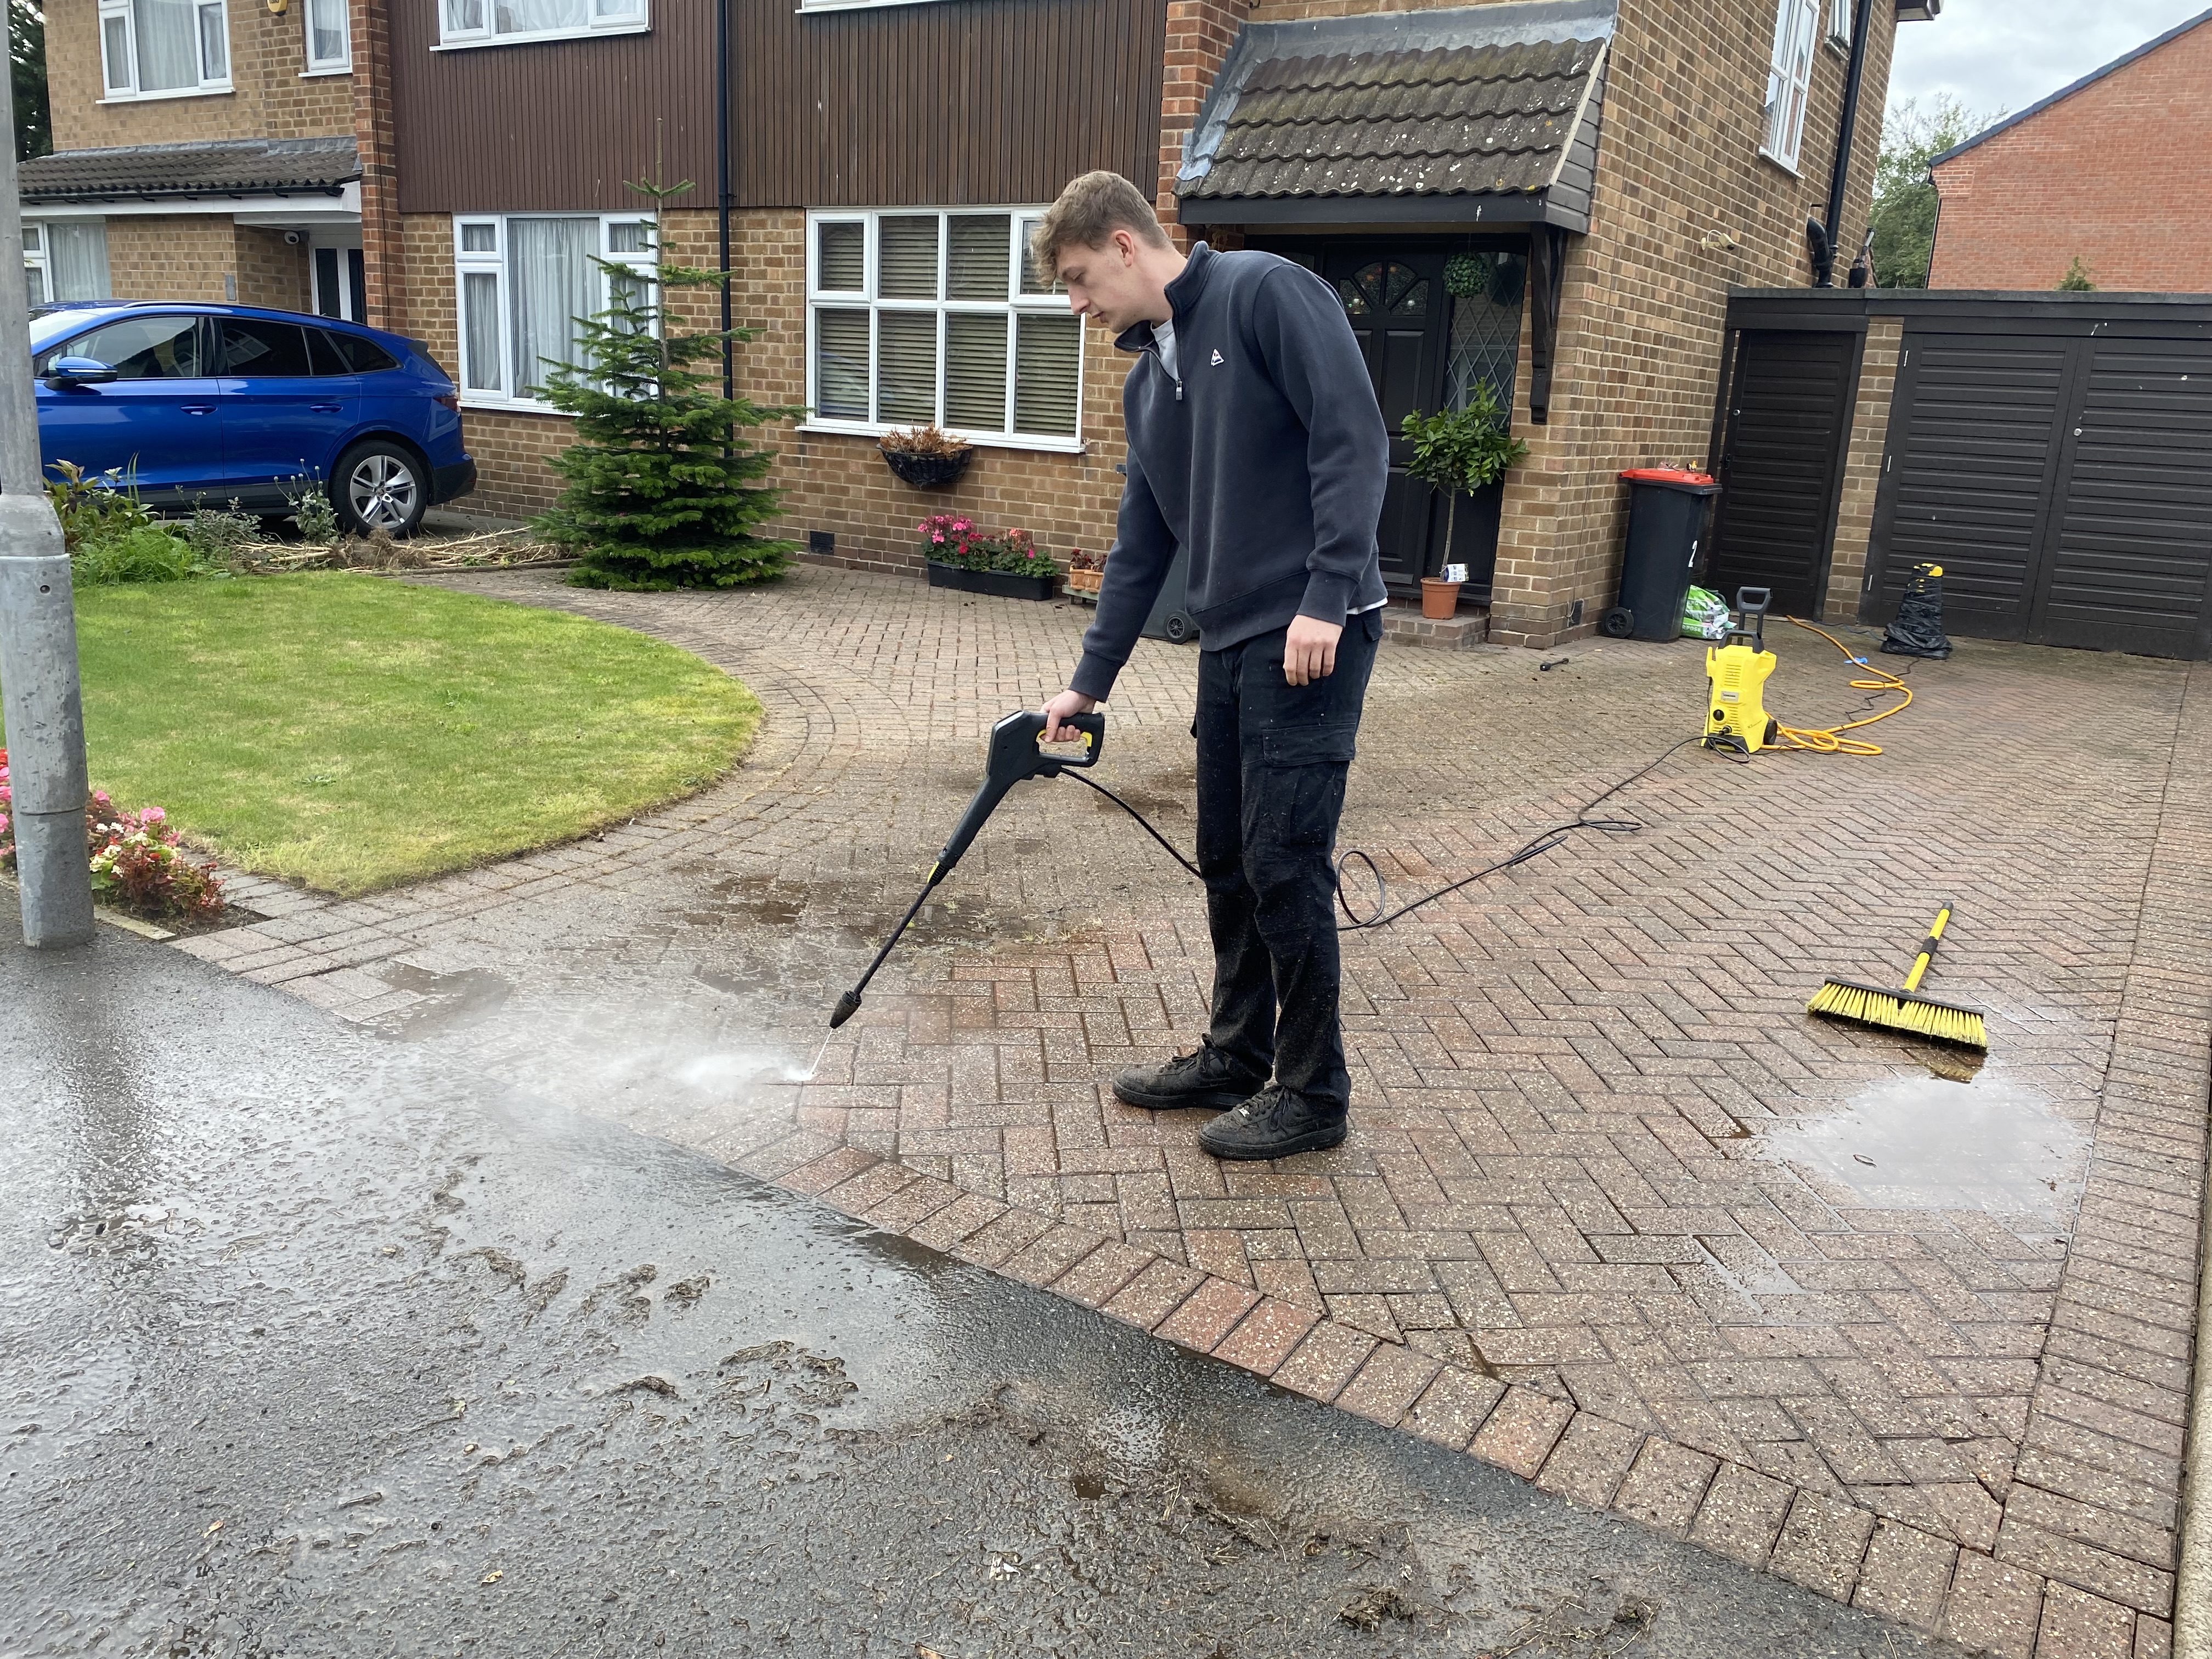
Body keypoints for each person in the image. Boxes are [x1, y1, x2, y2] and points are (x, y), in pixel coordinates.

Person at [1031, 171, 1389, 1161]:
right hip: (1232, 641)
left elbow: (1353, 441)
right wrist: (1088, 681)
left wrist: (1327, 594)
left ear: (1124, 245)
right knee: (1228, 857)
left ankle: (1313, 1095)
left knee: (1284, 862)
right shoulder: (1150, 383)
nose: (1076, 303)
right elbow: (1141, 548)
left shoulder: (1267, 292)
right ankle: (1237, 1055)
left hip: (1314, 632)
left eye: (1075, 278)